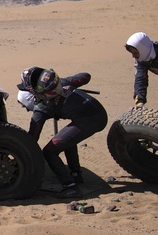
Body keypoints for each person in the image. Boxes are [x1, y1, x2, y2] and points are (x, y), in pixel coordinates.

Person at [17, 67, 108, 199]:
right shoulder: (59, 84)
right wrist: (60, 82)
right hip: (97, 113)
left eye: (24, 106)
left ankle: (70, 187)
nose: (26, 109)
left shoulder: (41, 108)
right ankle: (76, 175)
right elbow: (85, 76)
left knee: (49, 151)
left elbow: (32, 139)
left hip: (90, 120)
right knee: (65, 139)